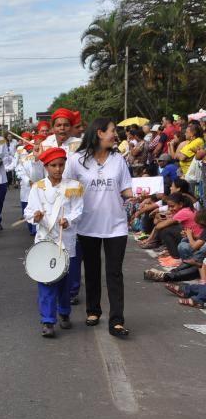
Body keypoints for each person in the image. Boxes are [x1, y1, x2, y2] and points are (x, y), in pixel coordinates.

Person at [66, 118, 133, 337]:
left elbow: (127, 190)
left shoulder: (118, 160)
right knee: (92, 270)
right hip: (87, 225)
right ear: (99, 133)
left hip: (116, 225)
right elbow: (67, 189)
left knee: (114, 273)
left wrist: (137, 198)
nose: (116, 135)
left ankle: (117, 320)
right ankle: (93, 310)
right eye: (113, 131)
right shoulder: (76, 160)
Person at [24, 148, 84, 337]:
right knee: (46, 280)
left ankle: (64, 312)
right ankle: (48, 321)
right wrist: (35, 216)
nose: (58, 169)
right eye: (53, 165)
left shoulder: (74, 186)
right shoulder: (37, 187)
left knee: (65, 282)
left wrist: (69, 220)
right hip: (44, 240)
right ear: (46, 167)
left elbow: (79, 210)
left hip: (65, 241)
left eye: (61, 165)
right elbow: (28, 212)